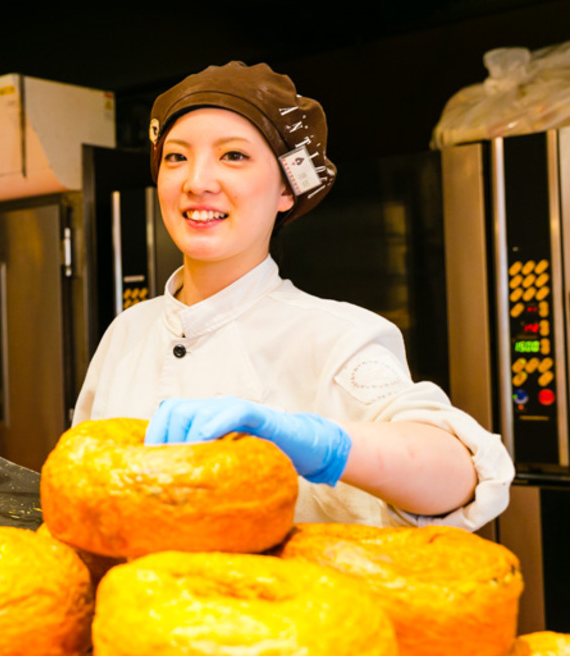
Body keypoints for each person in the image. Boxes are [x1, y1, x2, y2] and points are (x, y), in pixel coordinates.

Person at [72, 61, 513, 530]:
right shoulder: (128, 331)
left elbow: (460, 477)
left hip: (288, 602)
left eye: (233, 156)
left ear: (287, 187)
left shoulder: (338, 336)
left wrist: (320, 444)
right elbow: (79, 489)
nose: (196, 181)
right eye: (176, 157)